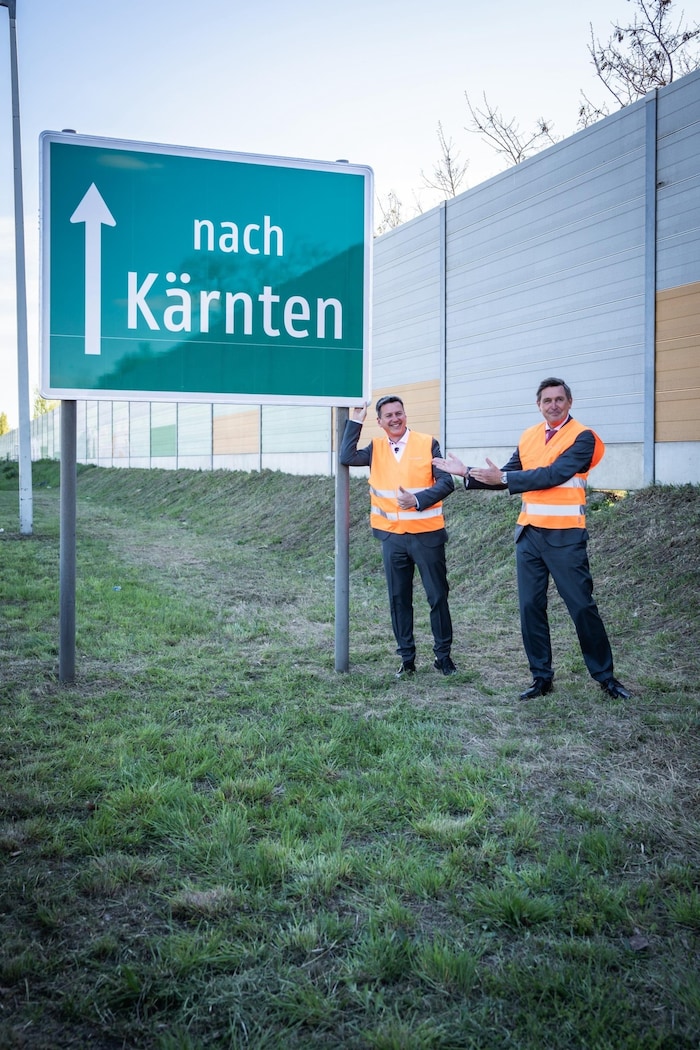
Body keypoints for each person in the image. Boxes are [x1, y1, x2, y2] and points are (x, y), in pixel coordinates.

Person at [433, 377, 630, 701]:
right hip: (530, 536)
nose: (553, 405)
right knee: (530, 608)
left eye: (559, 399)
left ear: (569, 403)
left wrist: (507, 477)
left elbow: (553, 475)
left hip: (566, 537)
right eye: (547, 400)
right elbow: (503, 479)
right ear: (538, 405)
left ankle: (605, 677)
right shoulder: (529, 436)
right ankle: (541, 678)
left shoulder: (583, 438)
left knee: (581, 607)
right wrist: (466, 471)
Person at [340, 395, 457, 678]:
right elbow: (346, 456)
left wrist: (417, 501)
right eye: (389, 416)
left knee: (437, 597)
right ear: (379, 422)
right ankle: (407, 658)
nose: (395, 419)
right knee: (399, 599)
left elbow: (446, 483)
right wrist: (356, 419)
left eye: (399, 413)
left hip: (426, 536)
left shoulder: (427, 443)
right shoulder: (375, 448)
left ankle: (443, 657)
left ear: (405, 415)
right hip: (392, 538)